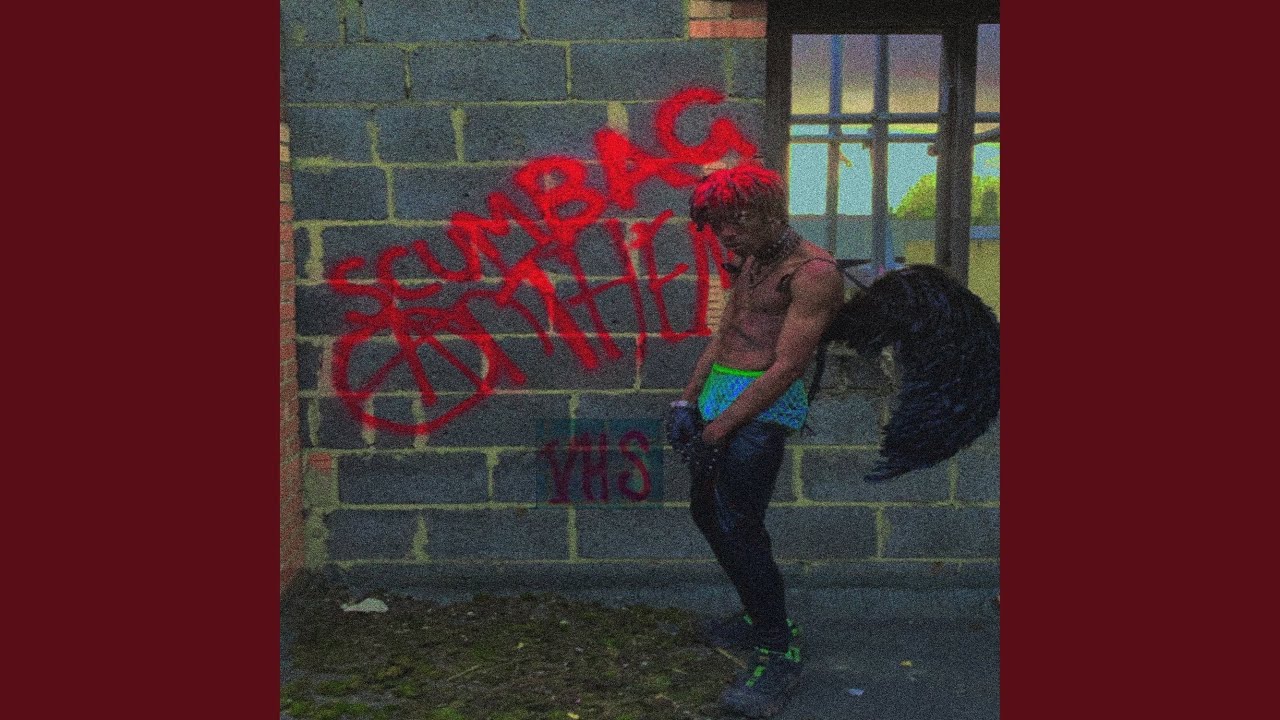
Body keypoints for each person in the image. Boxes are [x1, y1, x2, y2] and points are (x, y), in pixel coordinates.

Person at [667, 164, 845, 718]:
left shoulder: (813, 272)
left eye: (737, 221)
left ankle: (777, 645)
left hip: (766, 405)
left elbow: (787, 366)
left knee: (739, 523)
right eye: (717, 223)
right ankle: (755, 614)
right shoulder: (750, 260)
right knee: (706, 512)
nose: (725, 234)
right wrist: (687, 401)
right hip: (721, 391)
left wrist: (719, 429)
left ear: (772, 213)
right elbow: (725, 334)